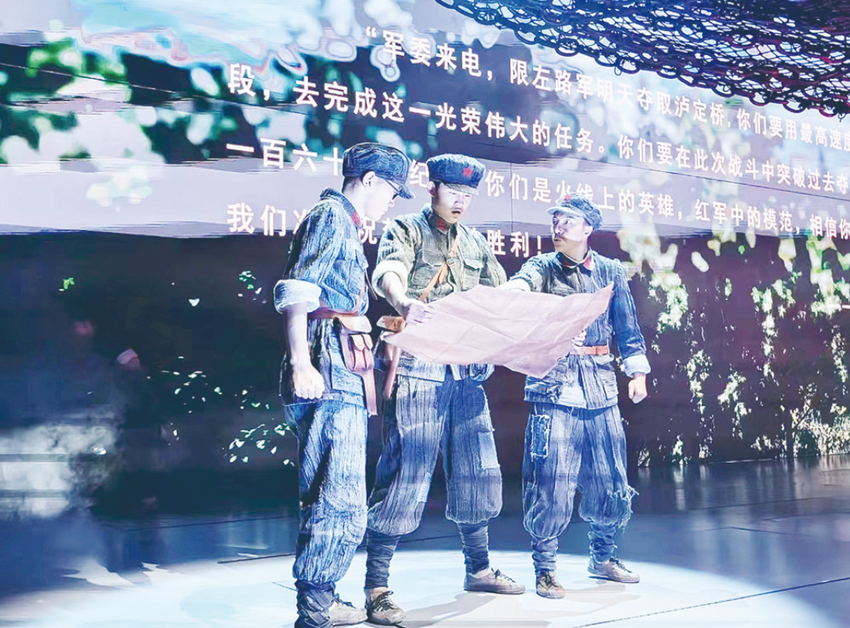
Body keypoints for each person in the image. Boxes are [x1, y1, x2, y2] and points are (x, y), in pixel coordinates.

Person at [363, 154, 523, 626]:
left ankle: (479, 569)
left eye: (468, 194)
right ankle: (376, 587)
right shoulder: (407, 229)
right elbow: (388, 272)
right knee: (406, 472)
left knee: (478, 471)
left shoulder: (475, 241)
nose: (460, 201)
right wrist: (403, 301)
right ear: (432, 187)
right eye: (453, 191)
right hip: (418, 367)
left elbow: (500, 293)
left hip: (467, 373)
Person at [273, 142, 413, 628]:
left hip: (341, 360)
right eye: (391, 192)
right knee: (338, 492)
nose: (391, 203)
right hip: (329, 365)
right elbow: (298, 291)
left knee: (337, 487)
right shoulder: (331, 216)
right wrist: (301, 363)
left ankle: (321, 599)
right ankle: (315, 609)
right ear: (369, 180)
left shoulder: (342, 222)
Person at [504, 194, 650, 598]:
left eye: (567, 220)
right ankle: (545, 567)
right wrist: (511, 294)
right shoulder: (542, 267)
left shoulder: (610, 271)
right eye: (556, 220)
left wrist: (637, 372)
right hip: (555, 387)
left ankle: (603, 556)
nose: (558, 227)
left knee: (609, 477)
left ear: (588, 228)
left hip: (600, 387)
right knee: (550, 479)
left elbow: (627, 327)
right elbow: (522, 287)